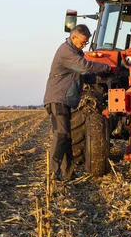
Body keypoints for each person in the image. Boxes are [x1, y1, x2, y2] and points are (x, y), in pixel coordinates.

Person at [43, 24, 114, 181]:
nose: (84, 45)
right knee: (61, 134)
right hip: (58, 98)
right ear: (73, 37)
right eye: (83, 42)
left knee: (67, 136)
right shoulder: (66, 51)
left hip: (66, 100)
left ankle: (68, 173)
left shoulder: (76, 53)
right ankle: (52, 172)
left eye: (86, 42)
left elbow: (82, 74)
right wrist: (108, 67)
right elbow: (85, 66)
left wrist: (101, 79)